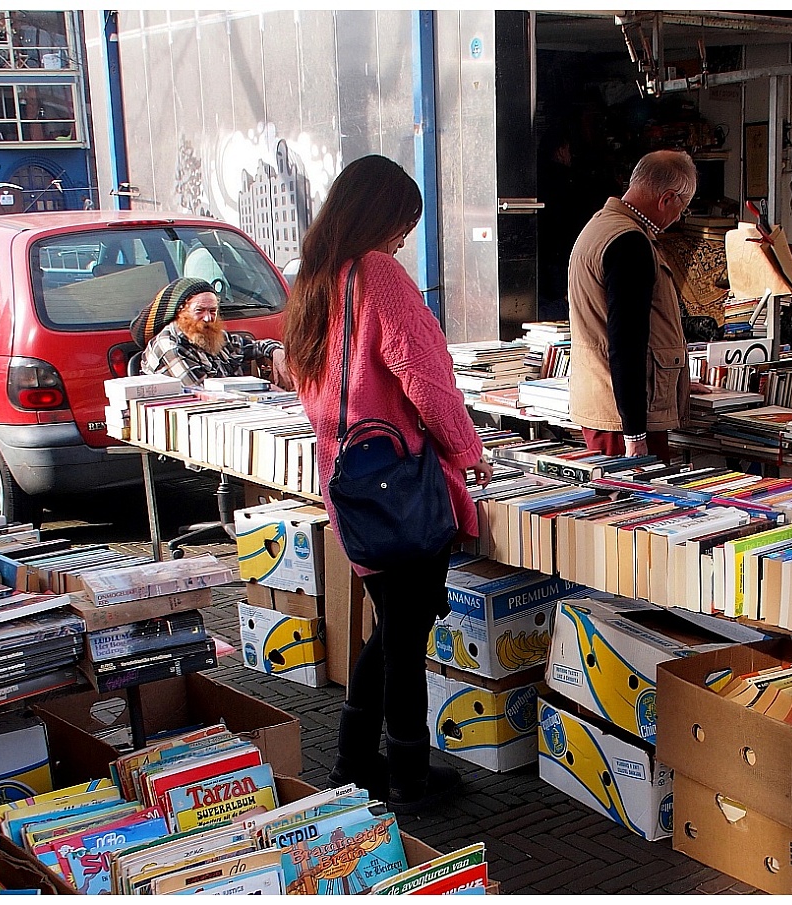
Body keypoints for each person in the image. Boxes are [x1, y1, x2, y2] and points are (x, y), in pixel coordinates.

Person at [282, 154, 494, 814]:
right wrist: (466, 449)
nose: (405, 235)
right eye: (403, 220)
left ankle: (352, 760)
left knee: (391, 627)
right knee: (405, 640)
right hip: (401, 487)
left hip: (351, 489)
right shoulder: (379, 273)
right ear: (379, 214)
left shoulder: (319, 280)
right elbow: (423, 376)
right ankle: (409, 775)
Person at [567, 148, 708, 462]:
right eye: (683, 207)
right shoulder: (630, 242)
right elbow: (627, 344)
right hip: (623, 415)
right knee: (637, 505)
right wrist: (635, 434)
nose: (679, 217)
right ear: (667, 199)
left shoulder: (601, 226)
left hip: (607, 402)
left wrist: (678, 383)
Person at [131, 277, 291, 389]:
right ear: (181, 311)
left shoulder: (214, 335)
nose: (208, 318)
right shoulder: (169, 345)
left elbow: (254, 346)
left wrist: (276, 351)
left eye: (212, 311)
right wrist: (265, 390)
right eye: (199, 310)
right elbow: (204, 395)